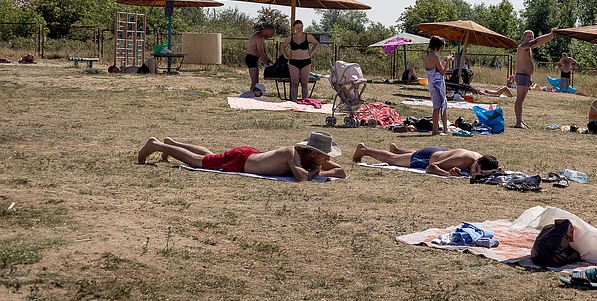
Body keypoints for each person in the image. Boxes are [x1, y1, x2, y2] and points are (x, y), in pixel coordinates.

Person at [137, 131, 346, 181]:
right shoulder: (291, 153)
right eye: (324, 155)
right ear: (313, 152)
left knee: (211, 156)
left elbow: (342, 172)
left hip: (248, 156)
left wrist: (319, 167)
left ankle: (171, 143)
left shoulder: (312, 158)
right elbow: (301, 177)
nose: (326, 159)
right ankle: (156, 145)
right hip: (242, 162)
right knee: (198, 162)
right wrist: (317, 170)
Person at [352, 142, 499, 177]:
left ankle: (398, 149)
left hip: (438, 151)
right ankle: (364, 150)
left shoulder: (480, 159)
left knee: (401, 156)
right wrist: (447, 174)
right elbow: (431, 167)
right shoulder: (464, 160)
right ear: (477, 162)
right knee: (392, 160)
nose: (474, 173)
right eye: (476, 170)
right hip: (427, 158)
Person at [513, 28, 557, 129]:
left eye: (532, 36)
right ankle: (518, 122)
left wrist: (551, 36)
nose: (531, 38)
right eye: (528, 36)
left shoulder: (529, 48)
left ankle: (520, 121)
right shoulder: (522, 46)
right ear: (524, 37)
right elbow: (537, 40)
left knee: (521, 100)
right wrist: (550, 34)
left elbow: (540, 42)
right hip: (522, 75)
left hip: (526, 77)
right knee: (519, 100)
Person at [281, 20, 319, 101]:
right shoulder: (291, 37)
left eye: (301, 27)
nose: (299, 29)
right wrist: (286, 55)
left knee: (304, 83)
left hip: (306, 62)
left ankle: (305, 101)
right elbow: (283, 46)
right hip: (293, 62)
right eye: (297, 28)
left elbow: (316, 43)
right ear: (294, 28)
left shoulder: (307, 36)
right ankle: (294, 101)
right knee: (294, 83)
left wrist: (311, 53)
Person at [424, 36, 455, 135]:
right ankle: (437, 130)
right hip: (437, 85)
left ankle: (439, 129)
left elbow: (435, 68)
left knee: (437, 107)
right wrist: (448, 63)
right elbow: (442, 72)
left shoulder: (427, 55)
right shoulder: (434, 57)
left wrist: (443, 61)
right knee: (440, 107)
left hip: (432, 84)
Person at [245, 25, 276, 91]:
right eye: (271, 34)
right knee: (254, 80)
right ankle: (251, 95)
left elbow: (264, 51)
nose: (271, 36)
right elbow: (261, 52)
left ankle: (253, 94)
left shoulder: (261, 38)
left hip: (255, 59)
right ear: (268, 31)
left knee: (256, 80)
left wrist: (268, 59)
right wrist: (267, 64)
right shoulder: (258, 37)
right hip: (251, 59)